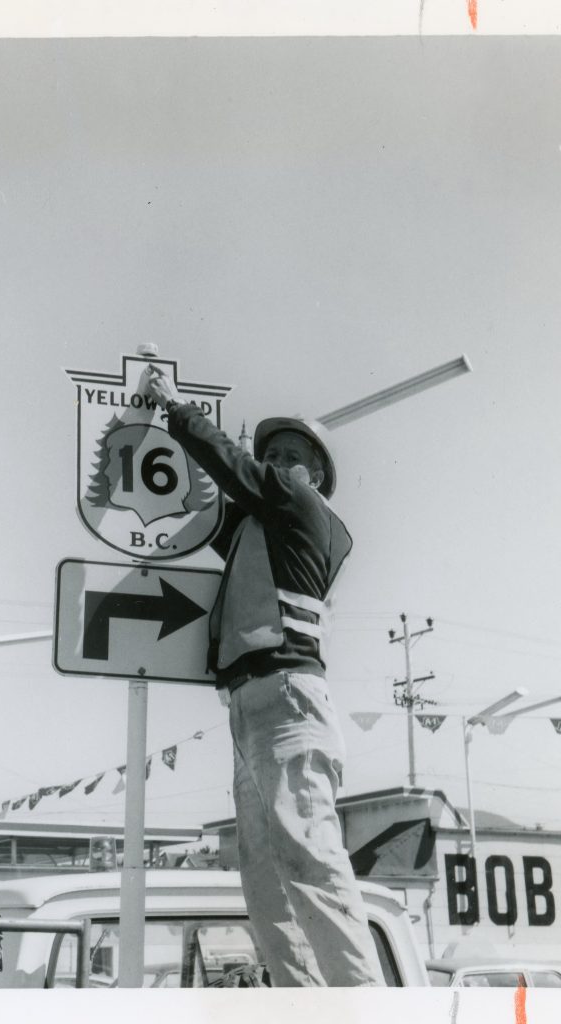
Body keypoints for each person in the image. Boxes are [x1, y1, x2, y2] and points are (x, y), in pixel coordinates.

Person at [143, 365, 384, 987]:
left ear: (315, 475)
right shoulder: (264, 526)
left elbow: (233, 470)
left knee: (311, 865)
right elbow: (212, 508)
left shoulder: (301, 506)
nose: (275, 462)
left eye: (289, 455)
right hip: (254, 708)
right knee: (267, 883)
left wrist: (176, 409)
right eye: (270, 452)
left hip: (287, 701)